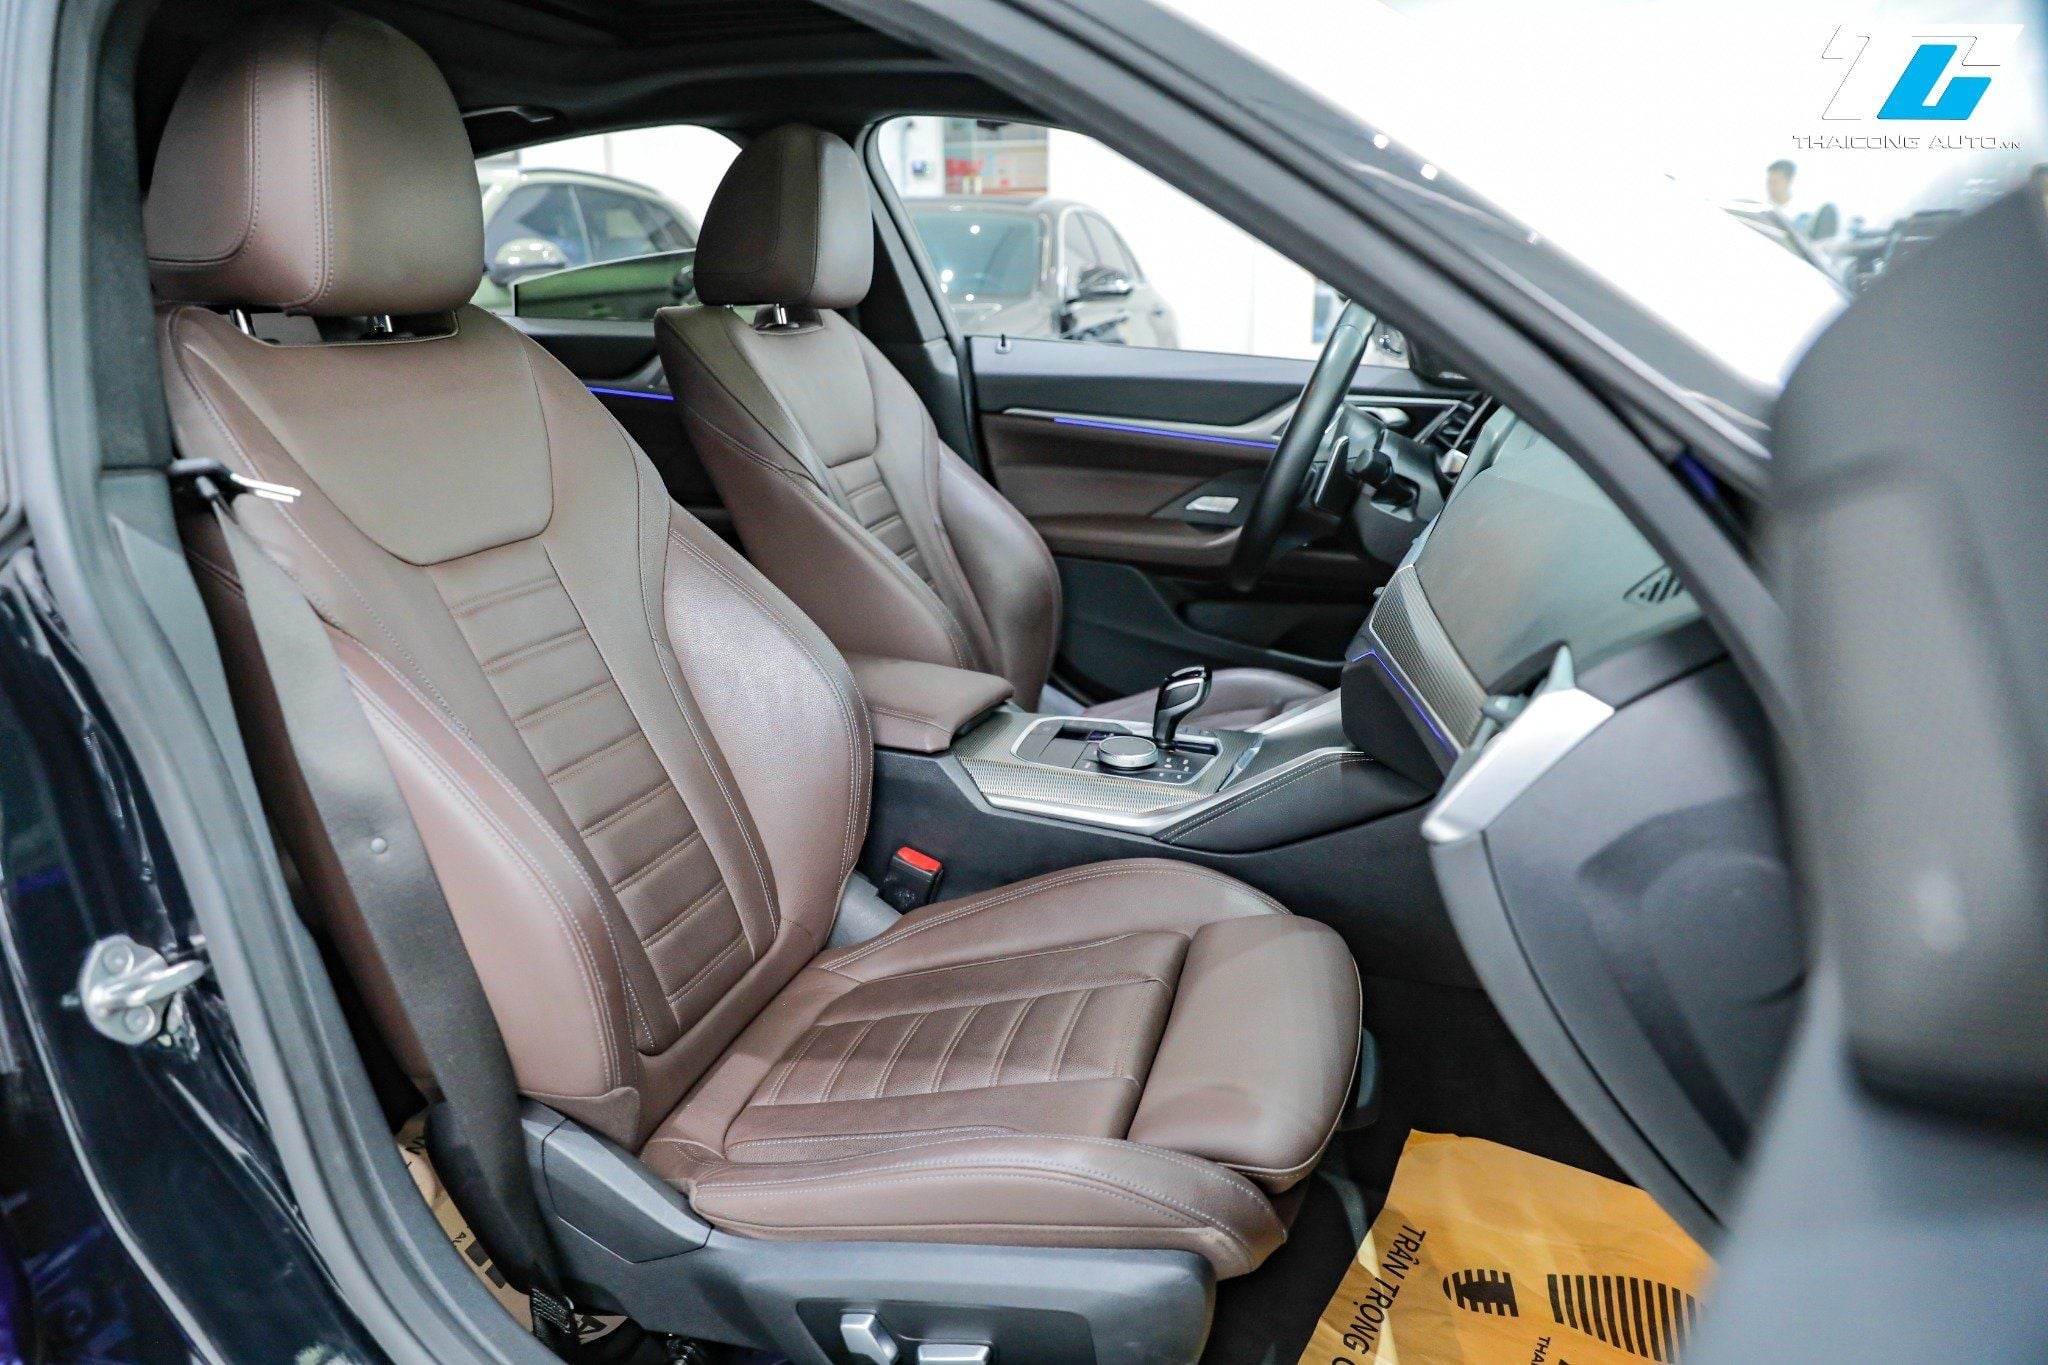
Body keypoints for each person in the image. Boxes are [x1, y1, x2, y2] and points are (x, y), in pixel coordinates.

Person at [1766, 159, 1839, 241]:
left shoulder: (1804, 214)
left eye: (1775, 182)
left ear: (1788, 182)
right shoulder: (1764, 210)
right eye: (1769, 182)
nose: (1770, 187)